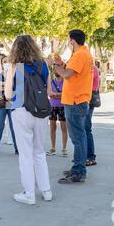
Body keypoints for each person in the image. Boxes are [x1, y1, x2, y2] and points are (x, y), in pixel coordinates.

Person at [5, 35, 52, 205]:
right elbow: (48, 90)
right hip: (41, 112)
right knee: (39, 152)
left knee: (25, 155)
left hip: (22, 111)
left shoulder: (15, 67)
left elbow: (8, 95)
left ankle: (29, 193)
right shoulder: (43, 64)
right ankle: (46, 190)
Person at [54, 30, 94, 184]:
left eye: (69, 41)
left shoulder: (79, 55)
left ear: (72, 41)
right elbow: (75, 72)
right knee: (80, 136)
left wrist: (57, 69)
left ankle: (78, 171)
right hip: (79, 100)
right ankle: (78, 167)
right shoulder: (85, 54)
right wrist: (62, 64)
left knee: (78, 138)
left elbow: (68, 74)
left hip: (75, 101)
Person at [0, 54, 18, 156]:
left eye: (8, 62)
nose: (6, 64)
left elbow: (16, 88)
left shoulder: (15, 74)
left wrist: (3, 84)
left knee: (13, 126)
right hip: (0, 100)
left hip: (11, 101)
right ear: (1, 64)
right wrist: (8, 85)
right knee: (0, 125)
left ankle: (17, 148)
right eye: (4, 62)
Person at [46, 69, 68, 157]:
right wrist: (59, 94)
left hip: (63, 106)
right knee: (52, 127)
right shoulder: (51, 82)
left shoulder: (65, 82)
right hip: (52, 106)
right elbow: (49, 93)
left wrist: (55, 95)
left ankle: (64, 149)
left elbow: (66, 94)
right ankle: (53, 148)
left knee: (64, 128)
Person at [86, 63, 100, 166]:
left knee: (86, 128)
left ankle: (90, 156)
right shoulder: (92, 68)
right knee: (85, 128)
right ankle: (85, 155)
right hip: (88, 98)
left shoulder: (92, 69)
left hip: (89, 99)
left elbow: (86, 82)